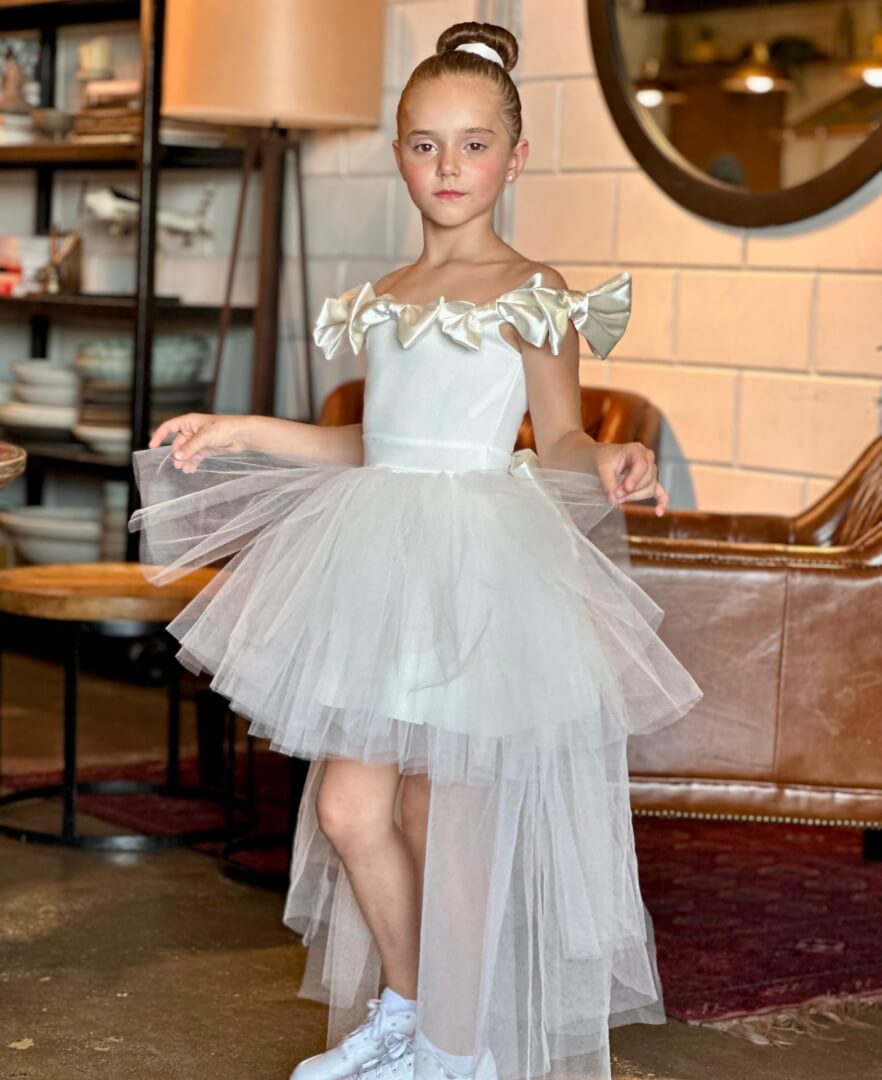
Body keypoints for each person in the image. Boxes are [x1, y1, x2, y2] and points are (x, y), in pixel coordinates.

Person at [129, 20, 703, 1080]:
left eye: (474, 144)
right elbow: (375, 445)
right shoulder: (384, 298)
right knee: (350, 808)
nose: (449, 166)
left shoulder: (533, 292)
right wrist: (241, 430)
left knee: (445, 812)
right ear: (399, 152)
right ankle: (410, 1009)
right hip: (382, 567)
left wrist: (611, 456)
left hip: (478, 574)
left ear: (514, 159)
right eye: (426, 144)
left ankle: (457, 1047)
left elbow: (558, 438)